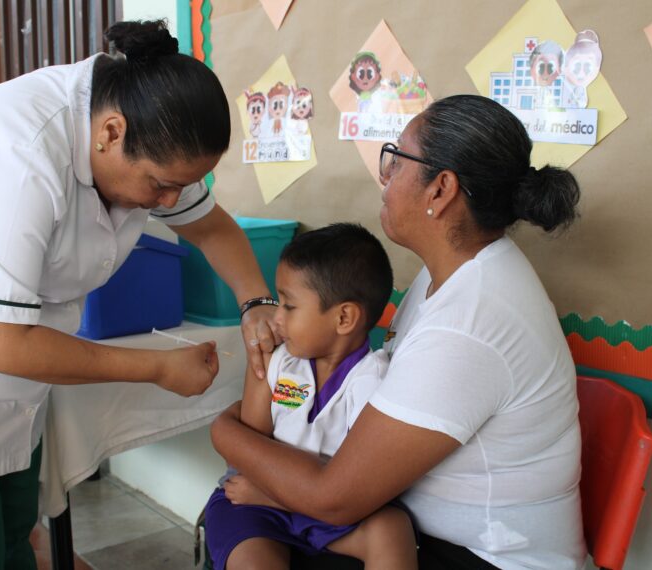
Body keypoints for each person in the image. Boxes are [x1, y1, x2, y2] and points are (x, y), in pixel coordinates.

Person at [0, 20, 280, 570]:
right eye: (161, 186)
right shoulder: (15, 157)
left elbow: (210, 227)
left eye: (181, 186)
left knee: (13, 547)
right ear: (110, 132)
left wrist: (256, 302)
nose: (170, 201)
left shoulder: (144, 132)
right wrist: (158, 368)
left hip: (13, 386)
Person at [212, 94, 587, 570]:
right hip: (416, 529)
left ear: (441, 189)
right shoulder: (449, 276)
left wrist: (223, 431)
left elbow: (332, 498)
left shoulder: (470, 320)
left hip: (484, 558)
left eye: (397, 159)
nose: (385, 177)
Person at [205, 223, 417, 570]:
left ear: (344, 317)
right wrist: (269, 496)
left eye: (289, 306)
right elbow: (248, 450)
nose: (276, 318)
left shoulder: (374, 381)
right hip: (254, 501)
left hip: (318, 508)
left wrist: (277, 497)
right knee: (252, 556)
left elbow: (358, 484)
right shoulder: (275, 359)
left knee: (392, 529)